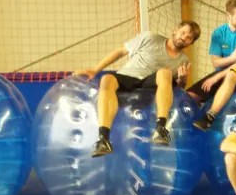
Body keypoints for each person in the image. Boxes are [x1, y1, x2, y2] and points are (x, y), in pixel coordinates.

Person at [74, 21, 199, 157]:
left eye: (189, 37)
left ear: (190, 43)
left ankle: (161, 129)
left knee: (165, 72)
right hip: (128, 76)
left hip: (149, 85)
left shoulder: (184, 61)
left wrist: (182, 79)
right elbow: (121, 51)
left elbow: (178, 88)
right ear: (176, 30)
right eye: (183, 32)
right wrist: (95, 70)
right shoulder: (150, 38)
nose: (184, 37)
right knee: (107, 79)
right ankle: (103, 139)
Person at [189, 0, 236, 131]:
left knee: (232, 75)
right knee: (191, 96)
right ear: (228, 15)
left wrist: (216, 76)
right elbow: (216, 62)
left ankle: (210, 117)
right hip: (221, 73)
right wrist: (232, 58)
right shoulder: (218, 33)